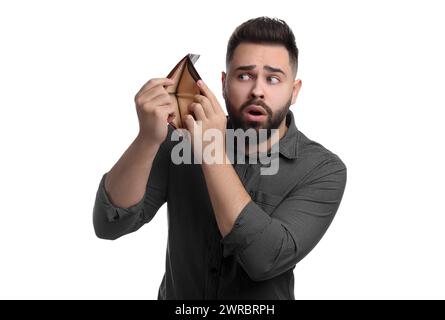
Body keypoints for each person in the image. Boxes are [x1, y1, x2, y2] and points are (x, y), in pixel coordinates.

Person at [93, 17, 347, 300]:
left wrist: (211, 151)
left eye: (273, 78)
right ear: (224, 84)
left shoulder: (323, 169)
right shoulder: (182, 141)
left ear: (294, 91)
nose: (257, 90)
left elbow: (265, 260)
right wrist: (147, 139)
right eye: (244, 76)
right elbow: (109, 223)